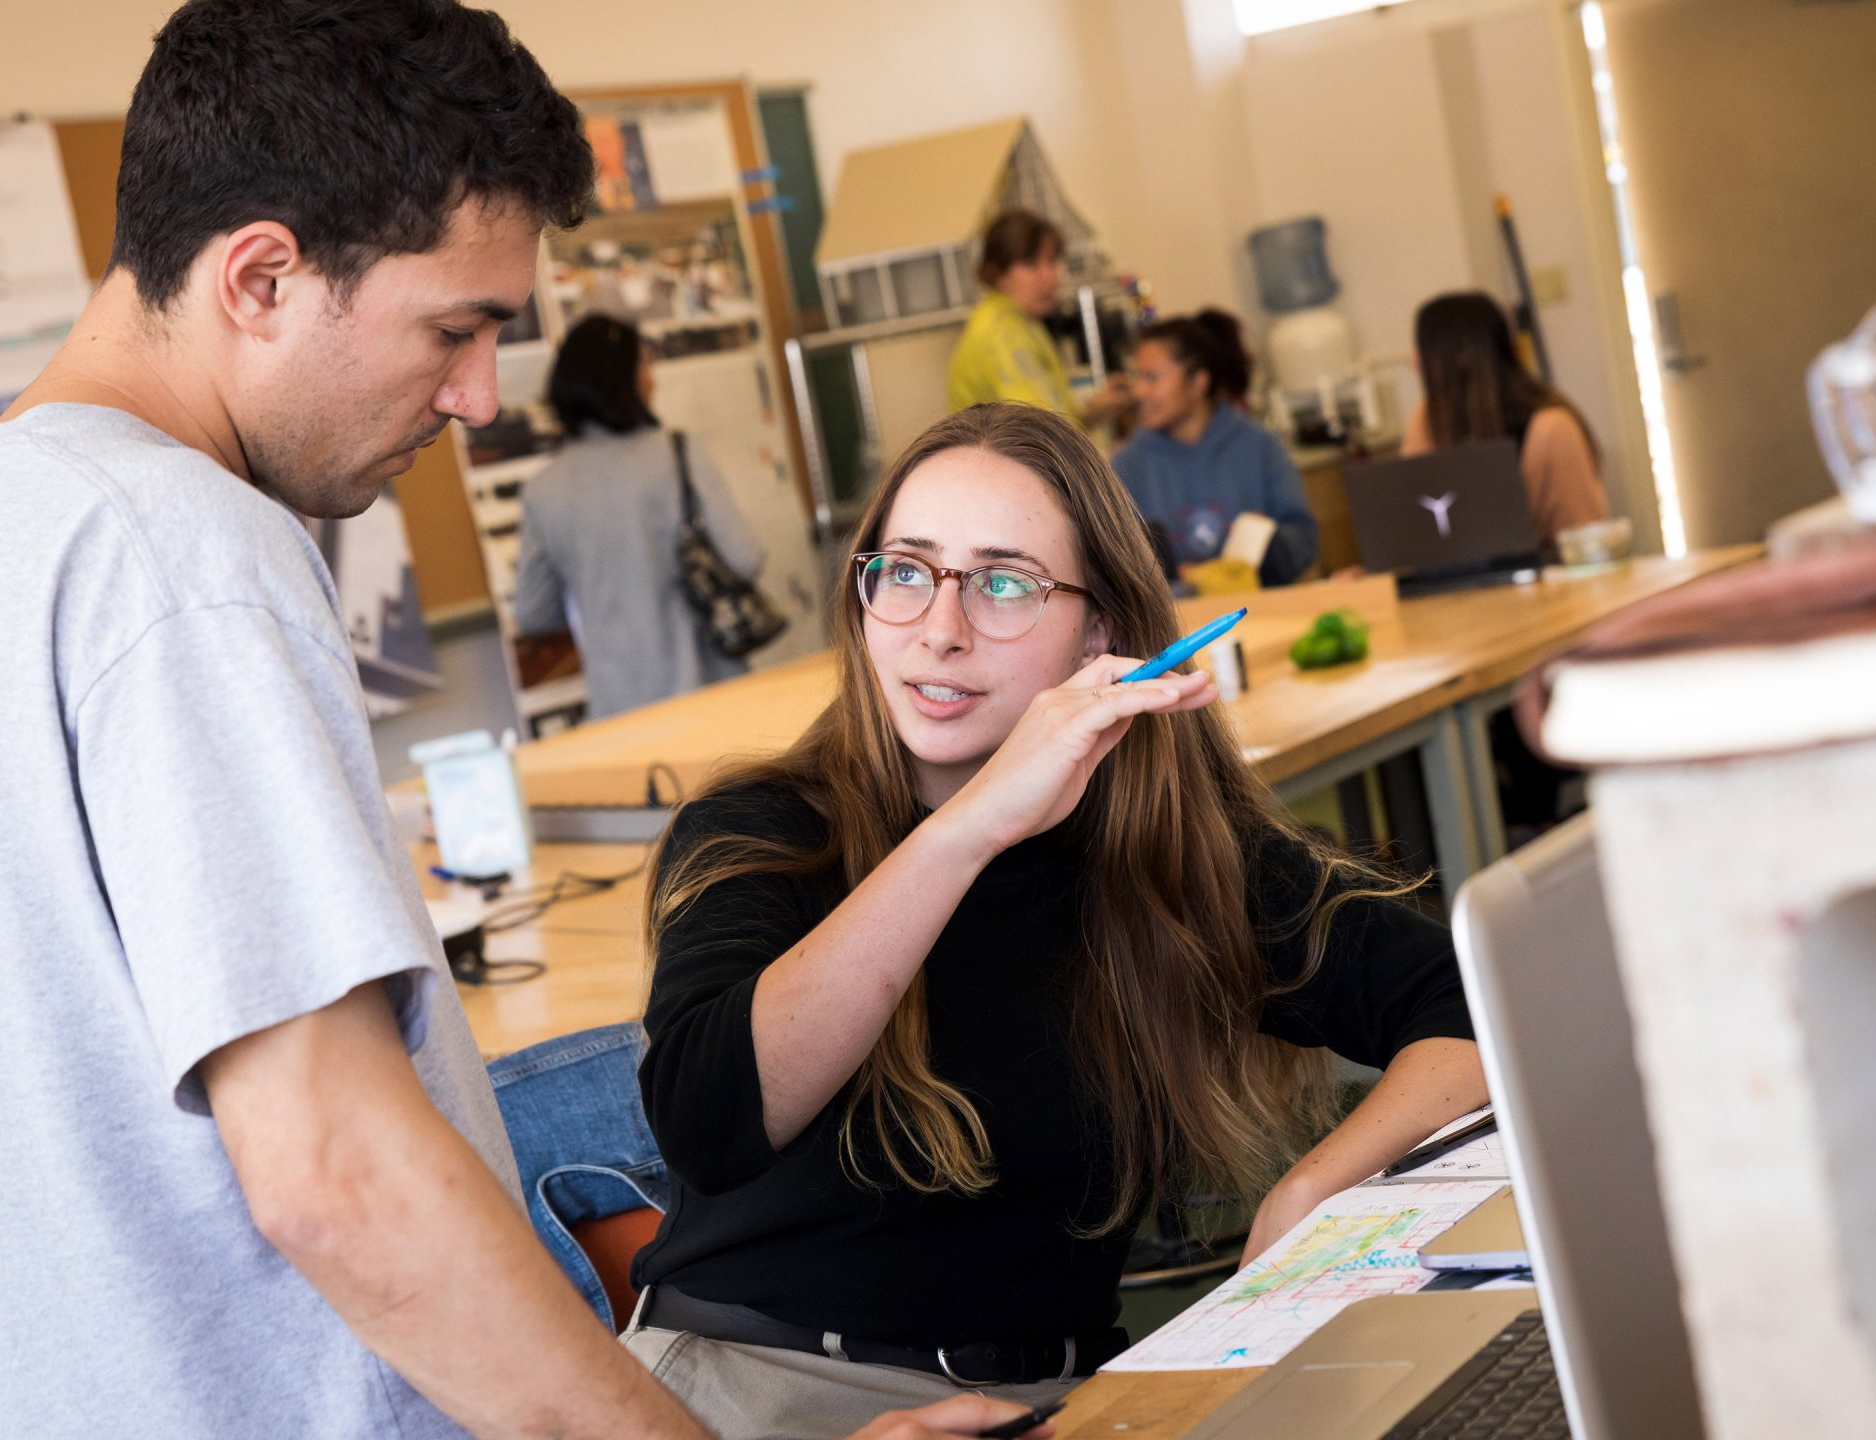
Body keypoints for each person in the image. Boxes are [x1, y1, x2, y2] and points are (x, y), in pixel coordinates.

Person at [0, 4, 1035, 1438]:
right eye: (456, 330)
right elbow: (337, 1170)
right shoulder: (183, 552)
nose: (478, 396)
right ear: (260, 276)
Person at [622, 401, 1489, 1438]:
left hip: (1058, 1406)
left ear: (1103, 633)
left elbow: (1478, 1005)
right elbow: (709, 1116)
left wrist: (1313, 1197)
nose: (940, 629)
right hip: (753, 1384)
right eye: (906, 570)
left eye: (1003, 584)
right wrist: (971, 827)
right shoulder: (760, 828)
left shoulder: (1171, 849)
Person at [515, 313, 764, 720]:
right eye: (645, 364)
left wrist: (600, 595)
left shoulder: (544, 491)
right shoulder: (680, 452)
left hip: (619, 708)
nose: (653, 379)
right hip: (711, 693)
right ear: (623, 379)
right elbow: (745, 558)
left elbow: (532, 613)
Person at [1113, 309, 1318, 586]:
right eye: (1137, 377)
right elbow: (1110, 559)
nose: (1139, 392)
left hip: (1259, 614)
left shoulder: (1260, 448)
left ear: (1198, 382)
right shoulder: (1127, 465)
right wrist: (1168, 572)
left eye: (1152, 378)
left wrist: (1266, 548)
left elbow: (1304, 538)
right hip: (1173, 623)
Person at [1401, 290, 1611, 546]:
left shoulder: (1551, 428)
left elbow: (1591, 540)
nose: (1414, 362)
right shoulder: (1426, 419)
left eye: (1423, 350)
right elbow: (1416, 524)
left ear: (1461, 355)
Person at [946, 209, 1131, 425]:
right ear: (999, 273)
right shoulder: (1003, 334)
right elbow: (1043, 432)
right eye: (1031, 263)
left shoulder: (1020, 321)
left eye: (1052, 262)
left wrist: (1100, 405)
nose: (1050, 276)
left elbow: (1052, 419)